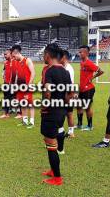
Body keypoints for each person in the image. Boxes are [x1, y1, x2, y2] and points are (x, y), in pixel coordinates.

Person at [40, 43, 72, 186]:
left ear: (48, 55)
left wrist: (44, 106)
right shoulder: (65, 71)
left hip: (51, 112)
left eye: (44, 54)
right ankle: (53, 171)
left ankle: (57, 178)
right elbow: (70, 93)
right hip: (61, 111)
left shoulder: (50, 71)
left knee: (51, 144)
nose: (43, 57)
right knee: (50, 142)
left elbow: (47, 92)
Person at [77, 45, 104, 131]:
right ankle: (79, 124)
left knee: (87, 107)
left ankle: (90, 126)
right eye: (79, 52)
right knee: (79, 106)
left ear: (86, 53)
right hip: (82, 88)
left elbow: (101, 71)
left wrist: (92, 78)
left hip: (88, 89)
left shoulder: (89, 63)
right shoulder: (82, 63)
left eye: (81, 52)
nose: (79, 54)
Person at [11, 45, 36, 128]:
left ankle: (31, 122)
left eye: (14, 56)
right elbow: (17, 75)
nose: (13, 58)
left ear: (16, 53)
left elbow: (33, 73)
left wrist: (29, 85)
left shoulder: (27, 60)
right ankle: (25, 121)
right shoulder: (16, 62)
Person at [59, 50, 76, 139]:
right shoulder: (64, 67)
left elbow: (70, 84)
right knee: (68, 113)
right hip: (66, 94)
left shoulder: (68, 69)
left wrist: (68, 97)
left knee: (68, 114)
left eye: (60, 57)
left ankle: (70, 132)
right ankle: (70, 132)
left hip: (67, 94)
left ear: (64, 57)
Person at [0, 49, 13, 119]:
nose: (4, 56)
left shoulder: (14, 62)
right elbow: (4, 70)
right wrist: (3, 76)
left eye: (6, 54)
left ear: (10, 54)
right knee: (6, 98)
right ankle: (6, 113)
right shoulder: (5, 62)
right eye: (4, 54)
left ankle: (19, 113)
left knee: (15, 97)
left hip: (12, 84)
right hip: (6, 83)